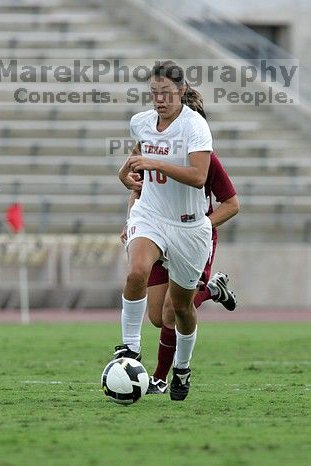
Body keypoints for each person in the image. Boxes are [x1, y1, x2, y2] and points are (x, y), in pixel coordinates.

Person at [114, 60, 213, 401]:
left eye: (166, 93)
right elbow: (132, 164)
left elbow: (199, 176)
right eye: (154, 93)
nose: (159, 99)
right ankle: (129, 350)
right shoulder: (140, 123)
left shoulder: (195, 126)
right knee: (136, 272)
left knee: (181, 310)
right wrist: (124, 176)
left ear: (181, 91)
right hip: (151, 215)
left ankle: (182, 368)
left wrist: (156, 163)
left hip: (188, 227)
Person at [121, 150, 239, 395]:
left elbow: (231, 204)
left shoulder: (206, 158)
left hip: (190, 238)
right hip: (156, 231)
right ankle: (212, 290)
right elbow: (136, 188)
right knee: (157, 317)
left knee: (171, 311)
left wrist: (202, 226)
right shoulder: (153, 148)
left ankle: (162, 377)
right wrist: (131, 220)